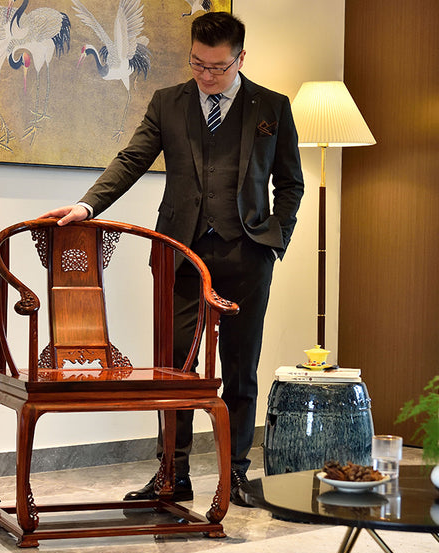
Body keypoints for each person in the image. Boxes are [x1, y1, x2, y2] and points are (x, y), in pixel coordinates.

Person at [40, 11, 304, 506]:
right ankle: (172, 473)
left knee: (240, 367)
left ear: (240, 58)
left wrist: (274, 238)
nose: (206, 76)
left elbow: (291, 182)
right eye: (197, 64)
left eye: (218, 68)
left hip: (247, 254)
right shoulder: (169, 103)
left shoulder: (272, 106)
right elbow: (132, 158)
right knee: (175, 369)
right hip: (179, 254)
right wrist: (87, 205)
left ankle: (237, 475)